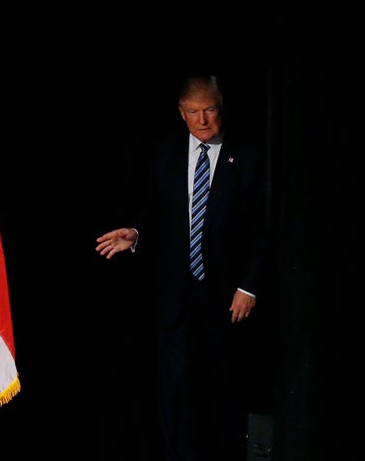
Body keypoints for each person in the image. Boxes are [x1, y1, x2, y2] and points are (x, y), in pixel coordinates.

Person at [95, 74, 270, 461]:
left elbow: (264, 227)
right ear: (181, 113)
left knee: (223, 395)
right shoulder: (166, 153)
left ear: (220, 109)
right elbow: (158, 214)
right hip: (176, 297)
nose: (203, 120)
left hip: (227, 298)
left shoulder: (250, 154)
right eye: (193, 112)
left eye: (209, 110)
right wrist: (135, 234)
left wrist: (250, 286)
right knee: (177, 395)